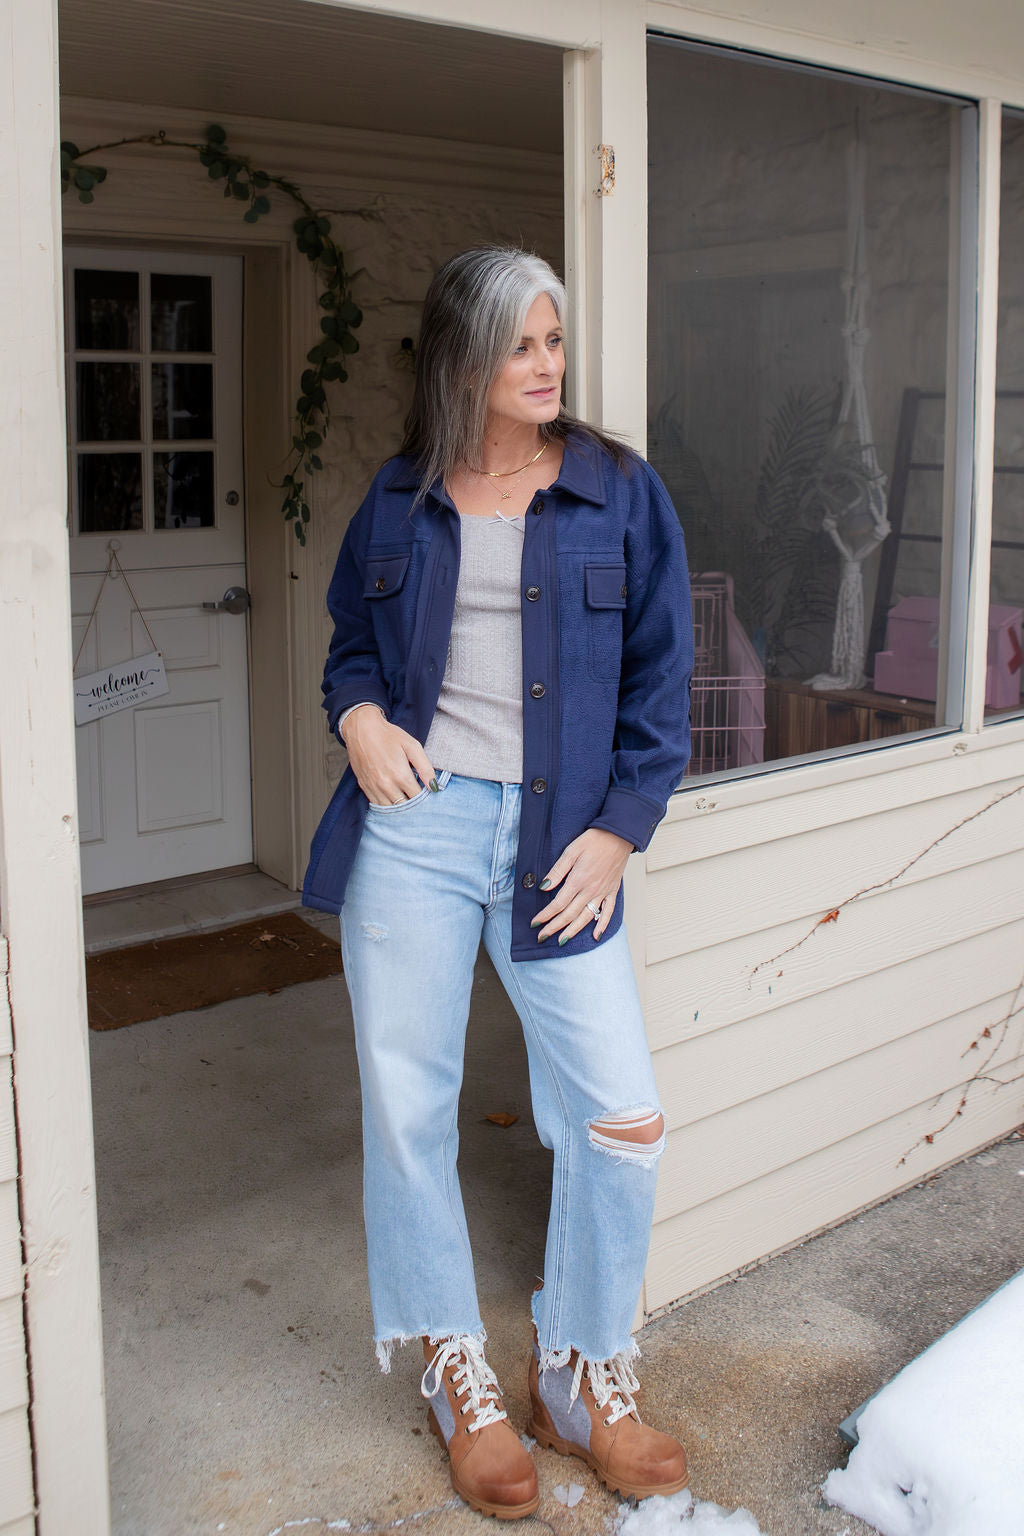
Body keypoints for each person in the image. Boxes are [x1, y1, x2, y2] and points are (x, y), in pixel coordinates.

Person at [303, 247, 694, 1520]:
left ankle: (578, 1370)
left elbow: (660, 681)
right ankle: (454, 1367)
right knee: (408, 1106)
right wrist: (360, 720)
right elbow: (351, 654)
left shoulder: (617, 492)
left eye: (554, 341)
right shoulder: (399, 498)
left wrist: (621, 829)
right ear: (463, 356)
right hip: (414, 831)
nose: (546, 365)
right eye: (520, 343)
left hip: (558, 843)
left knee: (619, 1116)